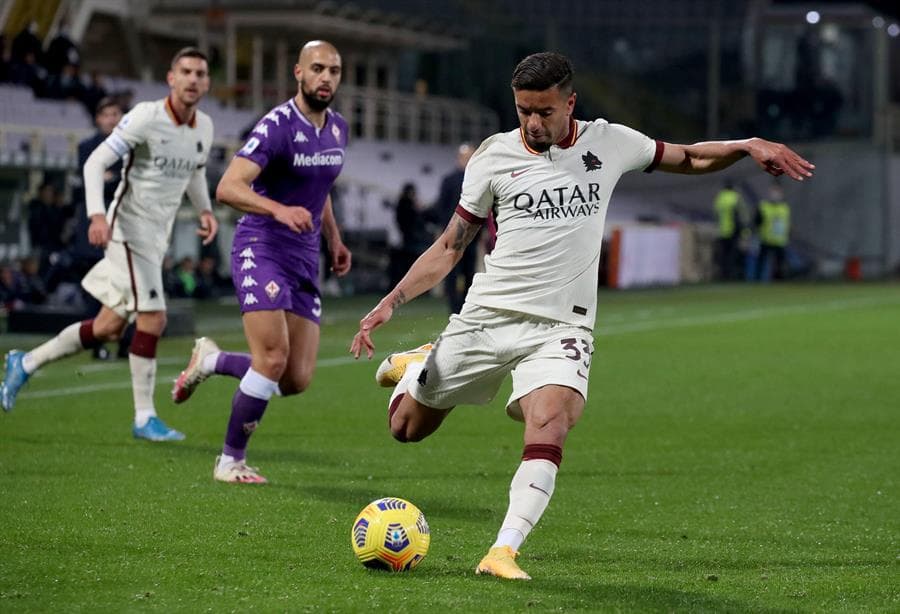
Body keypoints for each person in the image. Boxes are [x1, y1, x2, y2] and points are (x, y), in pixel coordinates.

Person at [350, 52, 814, 580]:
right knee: (406, 429)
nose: (533, 123)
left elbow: (689, 158)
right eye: (523, 111)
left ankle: (503, 551)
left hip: (562, 326)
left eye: (544, 111)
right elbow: (451, 245)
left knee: (552, 420)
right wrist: (392, 301)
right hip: (489, 315)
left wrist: (746, 145)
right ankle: (419, 364)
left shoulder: (609, 142)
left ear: (570, 103)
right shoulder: (493, 157)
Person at [1, 48, 218, 443]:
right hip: (128, 228)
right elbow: (94, 163)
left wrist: (205, 210)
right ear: (171, 78)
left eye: (200, 73)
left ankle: (26, 362)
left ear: (207, 82)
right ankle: (144, 417)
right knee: (153, 318)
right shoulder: (146, 117)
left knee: (107, 326)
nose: (192, 79)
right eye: (185, 71)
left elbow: (195, 172)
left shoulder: (204, 126)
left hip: (157, 236)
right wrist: (97, 215)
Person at [170, 40, 351, 483]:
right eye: (317, 68)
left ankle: (212, 361)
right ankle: (230, 461)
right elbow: (228, 187)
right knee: (271, 358)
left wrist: (334, 237)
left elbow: (320, 186)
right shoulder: (276, 126)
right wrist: (278, 210)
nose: (326, 77)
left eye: (333, 71)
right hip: (263, 247)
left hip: (305, 257)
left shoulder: (338, 129)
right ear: (299, 73)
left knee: (295, 379)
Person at [434, 143, 477, 313]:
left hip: (470, 235)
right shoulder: (451, 180)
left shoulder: (477, 179)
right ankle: (456, 308)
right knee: (454, 272)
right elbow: (442, 208)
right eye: (466, 157)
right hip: (456, 235)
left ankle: (464, 308)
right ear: (459, 159)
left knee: (468, 272)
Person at [713, 179, 748, 280]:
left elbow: (716, 214)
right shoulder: (736, 197)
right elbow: (742, 215)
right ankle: (733, 275)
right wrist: (744, 231)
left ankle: (723, 275)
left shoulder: (719, 197)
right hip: (733, 230)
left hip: (722, 230)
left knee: (723, 255)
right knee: (734, 254)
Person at [755, 183, 791, 281]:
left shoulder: (785, 208)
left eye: (777, 193)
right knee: (762, 260)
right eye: (773, 193)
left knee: (780, 262)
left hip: (780, 240)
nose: (775, 195)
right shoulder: (763, 206)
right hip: (766, 238)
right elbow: (757, 221)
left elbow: (787, 223)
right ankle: (757, 279)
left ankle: (779, 279)